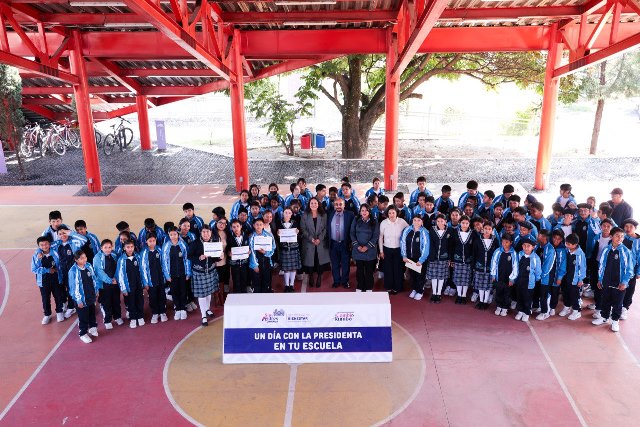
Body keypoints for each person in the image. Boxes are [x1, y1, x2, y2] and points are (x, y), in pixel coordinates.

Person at [592, 227, 635, 332]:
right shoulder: (606, 249)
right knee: (605, 300)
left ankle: (615, 321)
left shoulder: (625, 251)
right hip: (606, 281)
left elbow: (629, 269)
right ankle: (604, 317)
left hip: (619, 283)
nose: (620, 238)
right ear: (611, 237)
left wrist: (624, 282)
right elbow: (601, 266)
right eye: (617, 235)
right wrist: (600, 279)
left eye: (622, 236)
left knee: (617, 303)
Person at [188, 225, 220, 326]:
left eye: (208, 232)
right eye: (204, 232)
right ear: (201, 233)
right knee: (202, 295)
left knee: (209, 292)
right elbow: (189, 256)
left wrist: (220, 257)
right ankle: (203, 316)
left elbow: (215, 258)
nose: (206, 234)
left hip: (210, 271)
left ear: (211, 233)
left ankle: (207, 309)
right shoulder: (195, 243)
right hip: (199, 272)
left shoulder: (214, 243)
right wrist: (199, 258)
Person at [55, 226, 88, 319]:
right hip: (61, 271)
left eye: (64, 233)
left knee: (72, 288)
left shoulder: (74, 242)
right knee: (62, 289)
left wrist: (71, 233)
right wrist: (39, 251)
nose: (62, 235)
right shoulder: (56, 244)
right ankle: (66, 304)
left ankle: (72, 306)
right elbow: (44, 245)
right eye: (60, 234)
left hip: (73, 271)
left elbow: (84, 239)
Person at [68, 250, 100, 344]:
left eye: (85, 257)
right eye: (81, 258)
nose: (84, 259)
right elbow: (73, 287)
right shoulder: (73, 271)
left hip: (90, 295)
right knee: (83, 316)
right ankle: (83, 333)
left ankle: (93, 328)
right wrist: (78, 300)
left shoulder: (88, 266)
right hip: (81, 299)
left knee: (92, 313)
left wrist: (96, 290)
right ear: (76, 260)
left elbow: (94, 279)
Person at [31, 236, 64, 324]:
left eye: (46, 244)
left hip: (56, 279)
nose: (44, 246)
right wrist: (47, 270)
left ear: (49, 244)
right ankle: (47, 314)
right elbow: (34, 269)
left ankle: (59, 312)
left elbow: (60, 264)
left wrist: (59, 273)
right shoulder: (37, 256)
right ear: (38, 246)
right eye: (41, 245)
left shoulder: (55, 252)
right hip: (44, 281)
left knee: (58, 296)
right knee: (45, 298)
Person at [162, 227, 191, 321]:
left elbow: (187, 259)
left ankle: (183, 309)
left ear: (178, 234)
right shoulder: (166, 246)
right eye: (171, 235)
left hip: (183, 273)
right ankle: (177, 309)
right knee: (174, 292)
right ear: (169, 235)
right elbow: (164, 262)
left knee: (183, 291)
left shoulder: (183, 244)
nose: (173, 236)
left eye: (175, 234)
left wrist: (188, 272)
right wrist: (167, 275)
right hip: (172, 275)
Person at [93, 239, 123, 329]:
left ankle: (117, 317)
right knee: (106, 303)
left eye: (109, 247)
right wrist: (109, 280)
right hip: (104, 285)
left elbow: (118, 268)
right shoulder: (97, 257)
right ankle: (107, 320)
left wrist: (116, 279)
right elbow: (99, 272)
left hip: (115, 283)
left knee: (116, 301)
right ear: (101, 248)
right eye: (105, 247)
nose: (107, 249)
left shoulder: (114, 255)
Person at [301, 198, 330, 290]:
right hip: (309, 242)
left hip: (320, 242)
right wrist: (312, 239)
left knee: (319, 260)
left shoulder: (323, 215)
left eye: (315, 203)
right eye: (312, 203)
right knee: (310, 260)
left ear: (318, 204)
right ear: (309, 204)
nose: (313, 205)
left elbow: (325, 228)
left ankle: (319, 276)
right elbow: (303, 229)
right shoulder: (305, 215)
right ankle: (311, 276)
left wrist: (319, 239)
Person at [379, 206, 408, 295]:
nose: (391, 215)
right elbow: (380, 237)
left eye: (393, 213)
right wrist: (381, 251)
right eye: (389, 213)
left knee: (398, 269)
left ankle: (397, 287)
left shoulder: (402, 222)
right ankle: (388, 286)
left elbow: (409, 230)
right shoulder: (384, 223)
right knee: (388, 269)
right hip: (387, 249)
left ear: (397, 213)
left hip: (399, 249)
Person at [350, 204, 380, 292]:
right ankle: (360, 286)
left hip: (370, 250)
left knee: (369, 270)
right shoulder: (356, 219)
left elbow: (375, 236)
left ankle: (369, 287)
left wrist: (367, 247)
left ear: (369, 211)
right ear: (360, 212)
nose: (364, 212)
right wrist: (357, 246)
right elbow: (352, 233)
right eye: (362, 210)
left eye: (366, 210)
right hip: (358, 249)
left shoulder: (374, 221)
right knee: (359, 270)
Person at [557, 233, 587, 320]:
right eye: (566, 243)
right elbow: (563, 265)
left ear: (575, 245)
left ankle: (576, 311)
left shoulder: (580, 254)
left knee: (574, 296)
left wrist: (580, 279)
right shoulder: (567, 251)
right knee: (565, 293)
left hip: (575, 280)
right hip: (566, 278)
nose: (566, 245)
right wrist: (560, 277)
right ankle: (567, 307)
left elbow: (582, 268)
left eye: (568, 244)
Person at [140, 233, 168, 324]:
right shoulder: (144, 253)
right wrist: (145, 282)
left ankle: (163, 312)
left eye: (153, 241)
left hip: (161, 279)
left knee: (162, 295)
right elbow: (143, 269)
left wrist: (166, 276)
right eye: (150, 241)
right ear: (146, 242)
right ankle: (155, 313)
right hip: (151, 281)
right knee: (153, 297)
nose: (152, 243)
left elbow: (164, 264)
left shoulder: (159, 249)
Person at [117, 240, 145, 328]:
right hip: (128, 286)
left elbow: (142, 271)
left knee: (140, 301)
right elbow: (120, 275)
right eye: (128, 247)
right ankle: (133, 318)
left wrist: (144, 282)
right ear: (124, 248)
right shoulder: (121, 260)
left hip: (138, 284)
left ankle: (140, 316)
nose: (130, 249)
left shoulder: (138, 257)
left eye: (132, 247)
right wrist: (123, 288)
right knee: (131, 302)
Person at [328, 198, 355, 289]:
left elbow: (353, 229)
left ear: (344, 205)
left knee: (345, 264)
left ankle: (345, 281)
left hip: (345, 244)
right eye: (336, 204)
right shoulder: (329, 214)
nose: (338, 206)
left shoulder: (350, 215)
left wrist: (351, 243)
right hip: (333, 244)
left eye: (340, 204)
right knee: (334, 264)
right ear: (334, 205)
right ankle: (336, 281)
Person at [401, 215, 430, 300]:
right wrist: (404, 255)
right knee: (412, 275)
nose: (416, 222)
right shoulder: (407, 230)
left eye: (418, 220)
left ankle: (420, 291)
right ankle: (414, 289)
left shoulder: (424, 232)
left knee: (420, 275)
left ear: (422, 222)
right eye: (415, 220)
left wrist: (421, 260)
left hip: (420, 259)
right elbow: (403, 242)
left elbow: (426, 247)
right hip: (410, 257)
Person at [514, 236, 542, 322]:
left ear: (533, 247)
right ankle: (520, 311)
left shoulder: (536, 258)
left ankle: (526, 312)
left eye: (528, 246)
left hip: (529, 283)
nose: (526, 248)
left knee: (527, 298)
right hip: (520, 281)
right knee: (519, 296)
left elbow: (538, 271)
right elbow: (516, 266)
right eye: (524, 245)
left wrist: (536, 279)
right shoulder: (520, 254)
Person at [472, 221, 499, 310]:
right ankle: (481, 300)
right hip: (479, 266)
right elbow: (474, 253)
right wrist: (474, 266)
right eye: (485, 229)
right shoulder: (478, 240)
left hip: (490, 268)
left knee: (488, 285)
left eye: (489, 229)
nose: (487, 231)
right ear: (482, 229)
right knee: (480, 285)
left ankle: (485, 301)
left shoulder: (495, 241)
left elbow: (497, 255)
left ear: (492, 230)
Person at [590, 219, 614, 319]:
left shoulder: (613, 239)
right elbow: (593, 250)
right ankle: (597, 303)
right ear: (601, 226)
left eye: (608, 226)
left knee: (602, 287)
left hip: (606, 266)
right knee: (595, 285)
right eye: (604, 225)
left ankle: (600, 309)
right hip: (596, 263)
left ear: (612, 227)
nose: (606, 228)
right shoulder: (597, 237)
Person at [491, 234, 518, 317]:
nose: (504, 244)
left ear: (511, 242)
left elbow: (515, 267)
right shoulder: (498, 251)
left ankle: (505, 308)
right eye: (503, 242)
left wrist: (512, 279)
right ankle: (499, 306)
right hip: (499, 277)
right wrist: (493, 275)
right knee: (499, 292)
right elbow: (493, 263)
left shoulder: (513, 253)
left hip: (508, 279)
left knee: (507, 294)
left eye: (506, 242)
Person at [428, 214, 452, 303]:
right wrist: (431, 256)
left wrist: (449, 258)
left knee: (441, 277)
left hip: (444, 258)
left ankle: (438, 294)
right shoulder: (432, 230)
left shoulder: (449, 230)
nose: (440, 223)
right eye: (438, 221)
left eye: (442, 221)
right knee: (434, 276)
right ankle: (434, 293)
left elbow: (450, 246)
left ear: (445, 222)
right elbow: (431, 244)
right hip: (433, 257)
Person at [277, 207, 302, 292]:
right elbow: (278, 236)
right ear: (283, 213)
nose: (287, 214)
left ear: (291, 214)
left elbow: (298, 235)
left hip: (294, 247)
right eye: (286, 212)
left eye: (289, 213)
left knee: (293, 268)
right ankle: (286, 285)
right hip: (284, 248)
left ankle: (292, 285)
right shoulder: (279, 223)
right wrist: (278, 234)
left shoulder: (295, 223)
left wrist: (298, 232)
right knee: (286, 268)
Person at [451, 215, 474, 304]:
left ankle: (463, 295)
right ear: (460, 223)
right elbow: (452, 246)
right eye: (463, 223)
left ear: (469, 223)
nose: (464, 225)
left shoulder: (473, 233)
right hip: (457, 260)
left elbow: (474, 248)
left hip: (468, 261)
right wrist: (452, 259)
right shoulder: (455, 232)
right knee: (458, 278)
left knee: (465, 279)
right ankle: (459, 295)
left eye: (466, 223)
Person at [249, 218, 276, 293]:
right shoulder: (252, 237)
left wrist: (266, 252)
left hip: (267, 262)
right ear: (254, 225)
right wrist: (254, 265)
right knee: (257, 283)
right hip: (257, 263)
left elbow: (273, 248)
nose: (259, 226)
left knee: (266, 282)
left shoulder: (269, 235)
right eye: (257, 225)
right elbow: (252, 253)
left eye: (260, 224)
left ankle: (266, 295)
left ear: (263, 225)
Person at [621, 219, 640, 320]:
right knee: (620, 287)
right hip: (620, 267)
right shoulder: (622, 237)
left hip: (632, 269)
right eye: (626, 226)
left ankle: (625, 308)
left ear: (635, 228)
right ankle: (617, 306)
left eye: (631, 227)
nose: (628, 229)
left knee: (630, 289)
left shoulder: (638, 240)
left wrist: (638, 271)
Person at [535, 230, 556, 320]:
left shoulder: (550, 249)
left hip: (545, 277)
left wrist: (540, 275)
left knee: (544, 294)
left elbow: (547, 266)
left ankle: (545, 312)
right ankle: (541, 307)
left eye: (539, 236)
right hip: (538, 276)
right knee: (539, 293)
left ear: (544, 237)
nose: (537, 237)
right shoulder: (538, 246)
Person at [228, 219, 251, 293]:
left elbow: (250, 246)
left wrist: (249, 251)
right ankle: (237, 295)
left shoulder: (246, 236)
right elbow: (227, 249)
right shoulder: (229, 237)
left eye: (237, 226)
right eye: (234, 227)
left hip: (244, 263)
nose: (236, 229)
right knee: (236, 281)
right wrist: (228, 253)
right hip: (234, 264)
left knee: (244, 280)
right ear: (231, 228)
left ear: (241, 226)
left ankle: (244, 294)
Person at [549, 230, 566, 316]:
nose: (556, 240)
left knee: (555, 292)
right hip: (547, 275)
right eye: (554, 238)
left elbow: (563, 265)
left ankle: (552, 307)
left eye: (558, 239)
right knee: (546, 290)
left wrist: (560, 277)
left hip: (556, 275)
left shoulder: (563, 250)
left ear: (562, 239)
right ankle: (545, 305)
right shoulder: (548, 246)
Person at [214, 218, 230, 298]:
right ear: (216, 222)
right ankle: (216, 295)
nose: (222, 225)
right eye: (220, 222)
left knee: (222, 277)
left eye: (224, 223)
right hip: (214, 260)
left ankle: (222, 293)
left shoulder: (227, 233)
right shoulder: (212, 233)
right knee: (215, 278)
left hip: (224, 259)